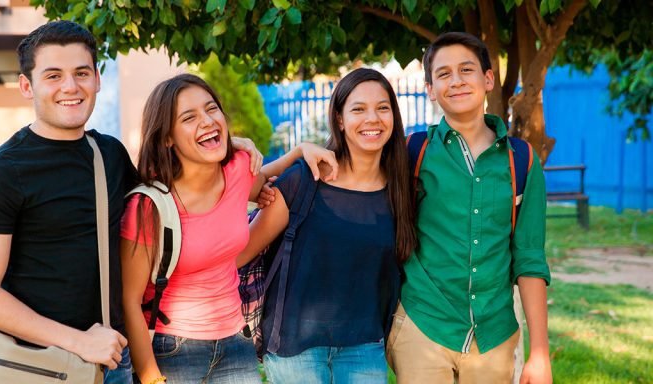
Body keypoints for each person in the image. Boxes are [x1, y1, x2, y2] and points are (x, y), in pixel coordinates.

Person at [0, 21, 264, 384]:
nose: (70, 87)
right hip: (32, 364)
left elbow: (179, 198)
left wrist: (232, 151)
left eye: (81, 73)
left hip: (113, 361)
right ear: (27, 86)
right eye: (53, 75)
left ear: (97, 80)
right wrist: (79, 341)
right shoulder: (1, 173)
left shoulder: (108, 154)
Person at [120, 73, 338, 384]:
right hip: (173, 348)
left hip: (237, 342)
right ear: (167, 137)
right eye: (189, 117)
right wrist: (151, 377)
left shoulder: (236, 171)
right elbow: (129, 300)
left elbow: (265, 177)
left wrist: (300, 151)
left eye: (211, 109)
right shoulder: (148, 207)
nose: (207, 120)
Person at [386, 32, 552, 384]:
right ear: (430, 88)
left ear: (488, 79)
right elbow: (346, 172)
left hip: (493, 332)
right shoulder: (410, 152)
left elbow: (530, 258)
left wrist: (539, 354)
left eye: (466, 70)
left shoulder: (521, 160)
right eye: (443, 74)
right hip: (423, 323)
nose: (456, 81)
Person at [238, 68, 416, 383]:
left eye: (382, 108)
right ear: (339, 120)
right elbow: (240, 251)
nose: (372, 118)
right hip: (295, 350)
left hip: (365, 348)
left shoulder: (402, 191)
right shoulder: (305, 181)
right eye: (358, 109)